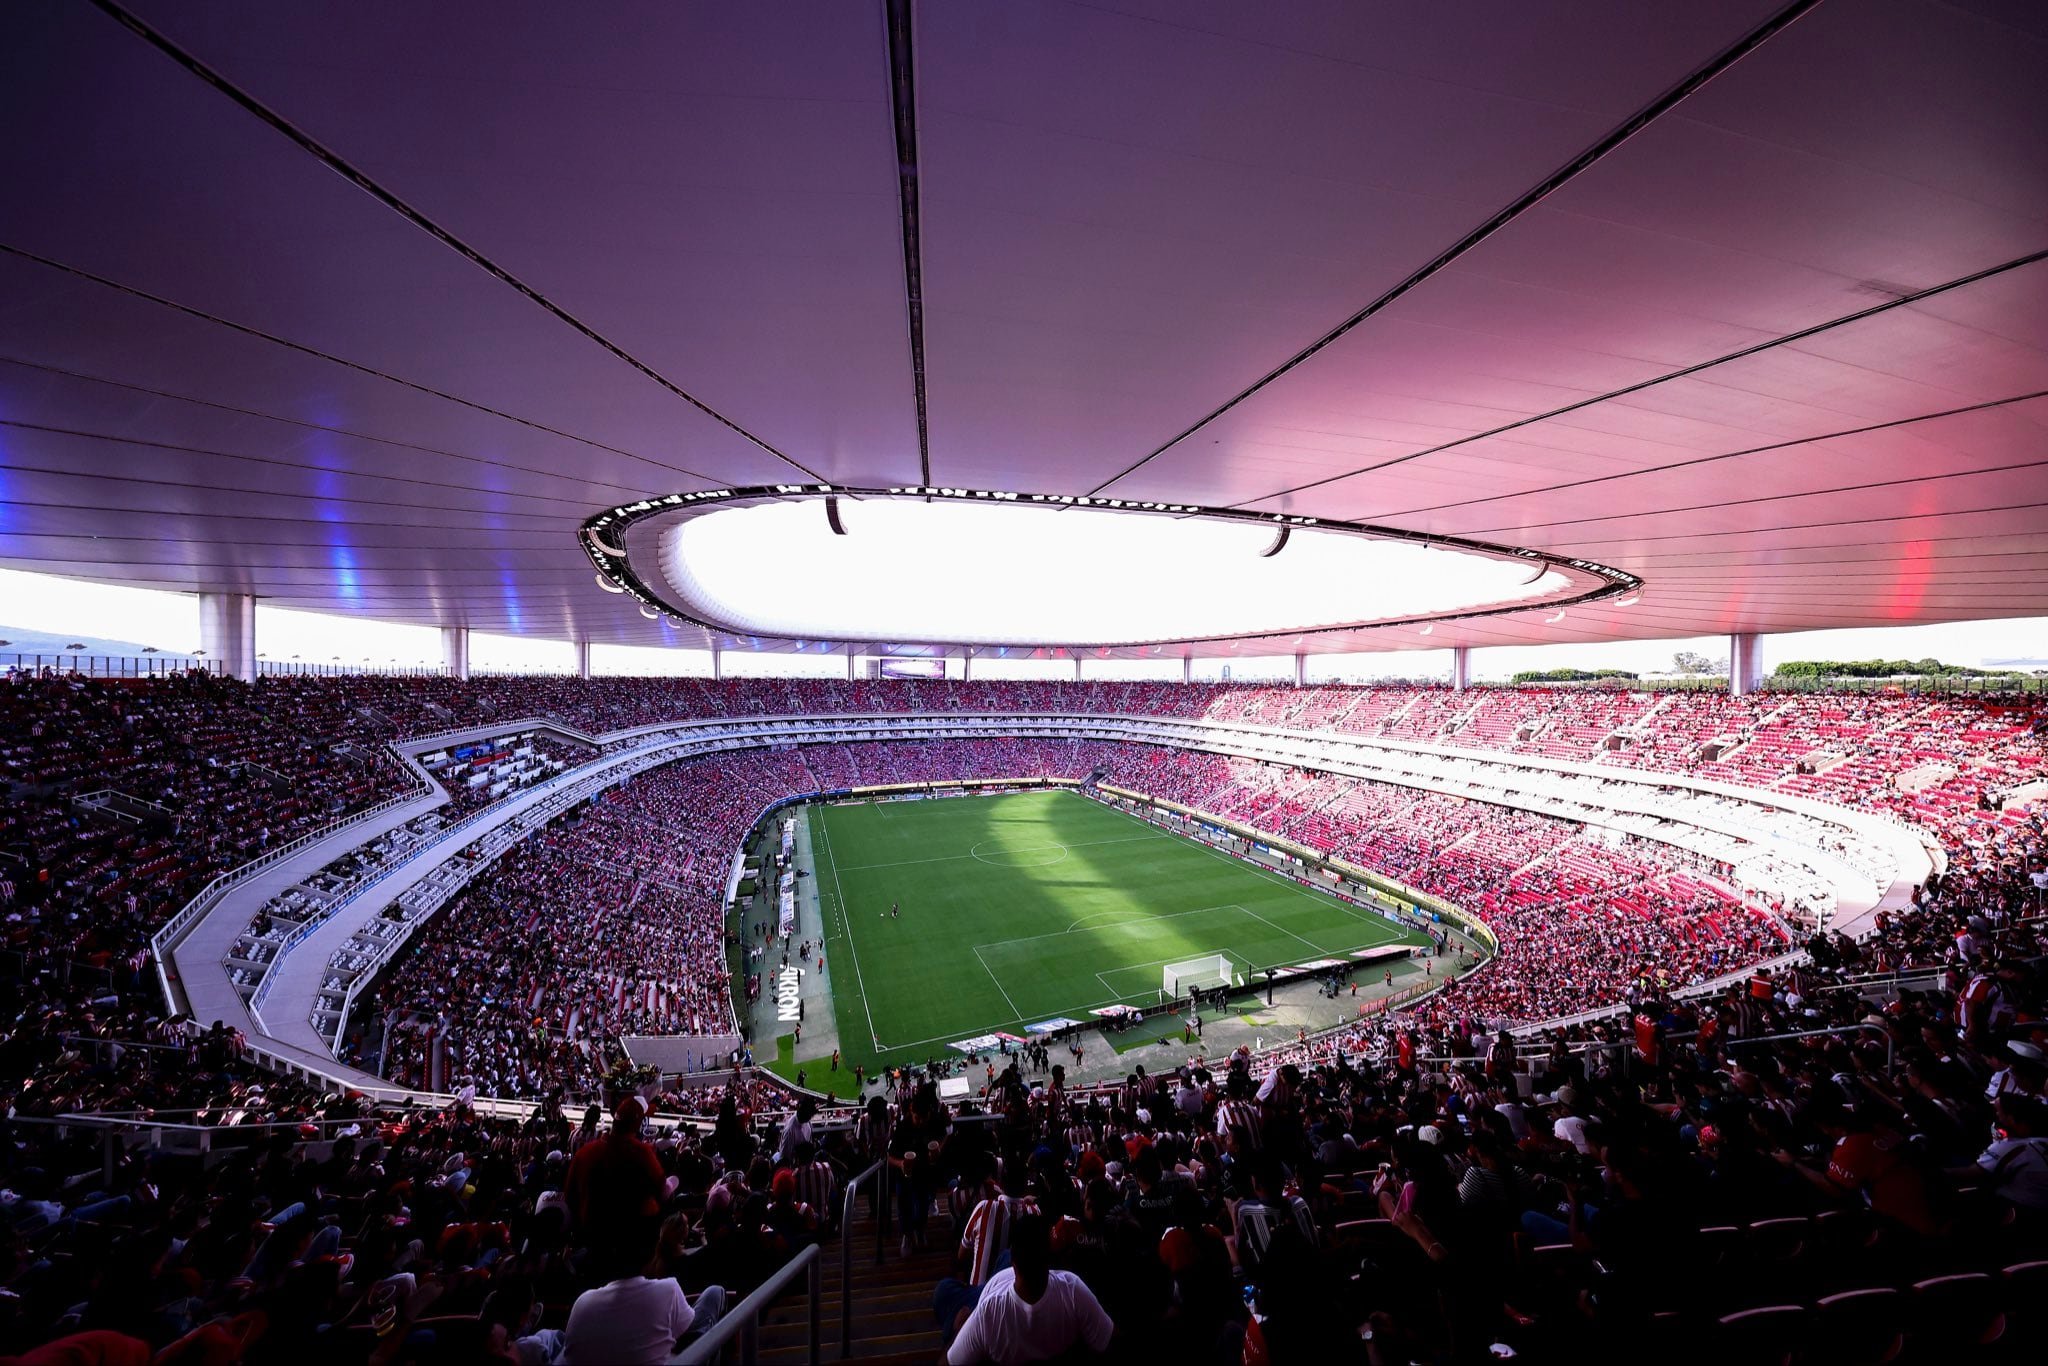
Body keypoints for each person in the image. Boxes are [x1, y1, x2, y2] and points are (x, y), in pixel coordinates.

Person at [943, 1214, 1113, 1365]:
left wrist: (958, 1332)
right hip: (1005, 1281)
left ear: (1014, 1264)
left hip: (990, 1291)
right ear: (1049, 1260)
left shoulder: (988, 1313)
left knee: (945, 1290)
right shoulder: (1073, 1290)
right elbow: (1109, 1343)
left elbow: (948, 1361)